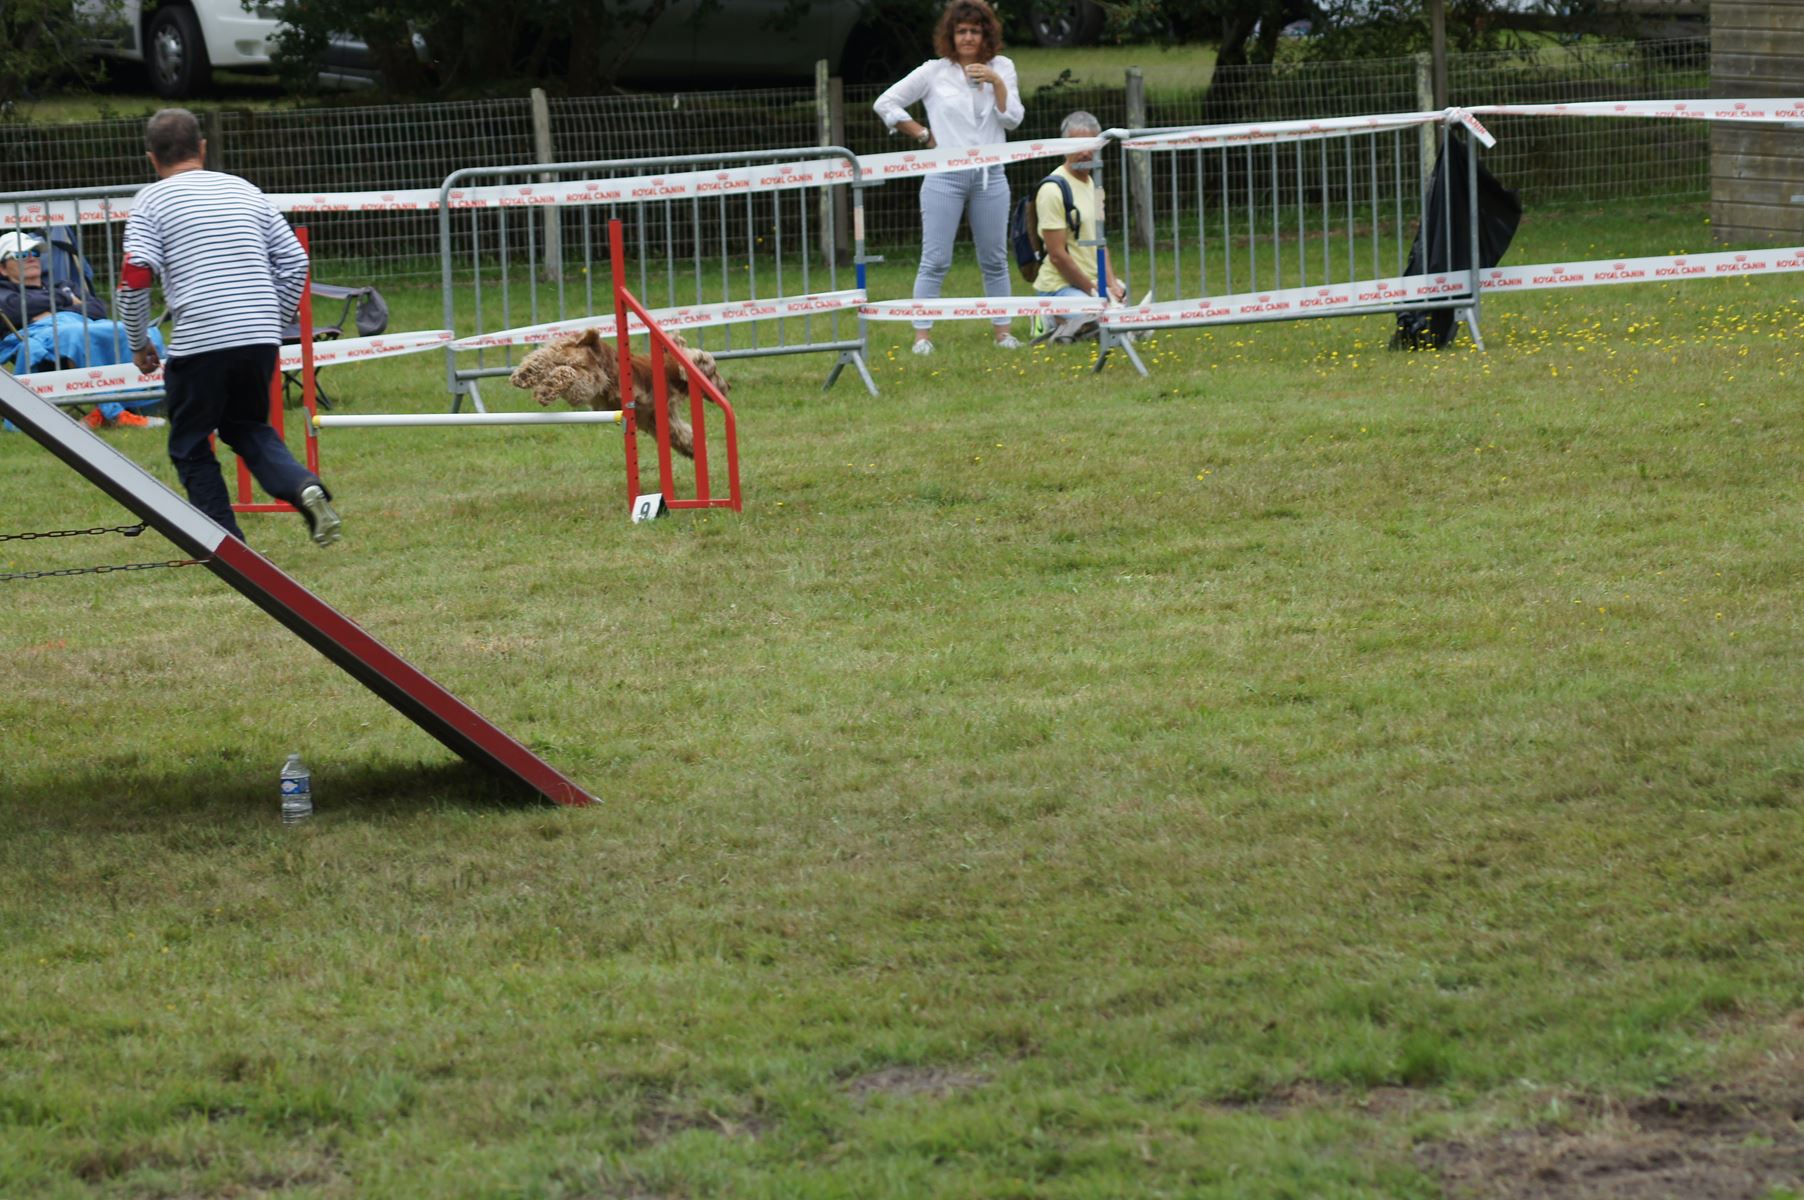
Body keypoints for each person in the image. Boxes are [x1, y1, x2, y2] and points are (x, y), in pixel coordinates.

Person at [118, 108, 342, 547]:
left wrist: (138, 340)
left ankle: (227, 546)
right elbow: (295, 261)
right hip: (257, 338)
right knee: (247, 427)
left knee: (189, 442)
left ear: (151, 158)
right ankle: (302, 487)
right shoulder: (245, 190)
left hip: (201, 338)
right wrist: (271, 321)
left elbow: (137, 273)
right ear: (202, 149)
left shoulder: (151, 200)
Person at [874, 0, 1023, 356]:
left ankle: (1003, 333)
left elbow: (1013, 119)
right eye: (962, 31)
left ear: (985, 34)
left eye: (974, 30)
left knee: (995, 258)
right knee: (936, 259)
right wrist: (923, 135)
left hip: (991, 174)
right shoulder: (934, 71)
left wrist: (997, 83)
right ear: (951, 36)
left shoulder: (1002, 67)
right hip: (944, 176)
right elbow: (886, 103)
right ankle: (922, 337)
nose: (968, 37)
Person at [0, 231, 167, 429]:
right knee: (77, 334)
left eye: (35, 253)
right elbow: (15, 310)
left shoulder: (63, 285)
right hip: (45, 337)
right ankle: (114, 414)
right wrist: (67, 299)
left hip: (80, 327)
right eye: (20, 255)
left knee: (142, 332)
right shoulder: (5, 292)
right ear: (2, 268)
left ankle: (147, 403)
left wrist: (51, 306)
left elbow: (97, 309)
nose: (31, 258)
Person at [1031, 110, 1126, 344]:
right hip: (1060, 286)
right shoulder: (1053, 190)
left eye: (1091, 144)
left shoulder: (1096, 184)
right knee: (1102, 321)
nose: (1085, 152)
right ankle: (1048, 317)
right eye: (1078, 145)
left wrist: (1112, 284)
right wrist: (1094, 290)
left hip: (1094, 284)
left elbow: (1100, 240)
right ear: (1064, 146)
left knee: (1121, 302)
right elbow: (1056, 255)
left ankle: (1092, 321)